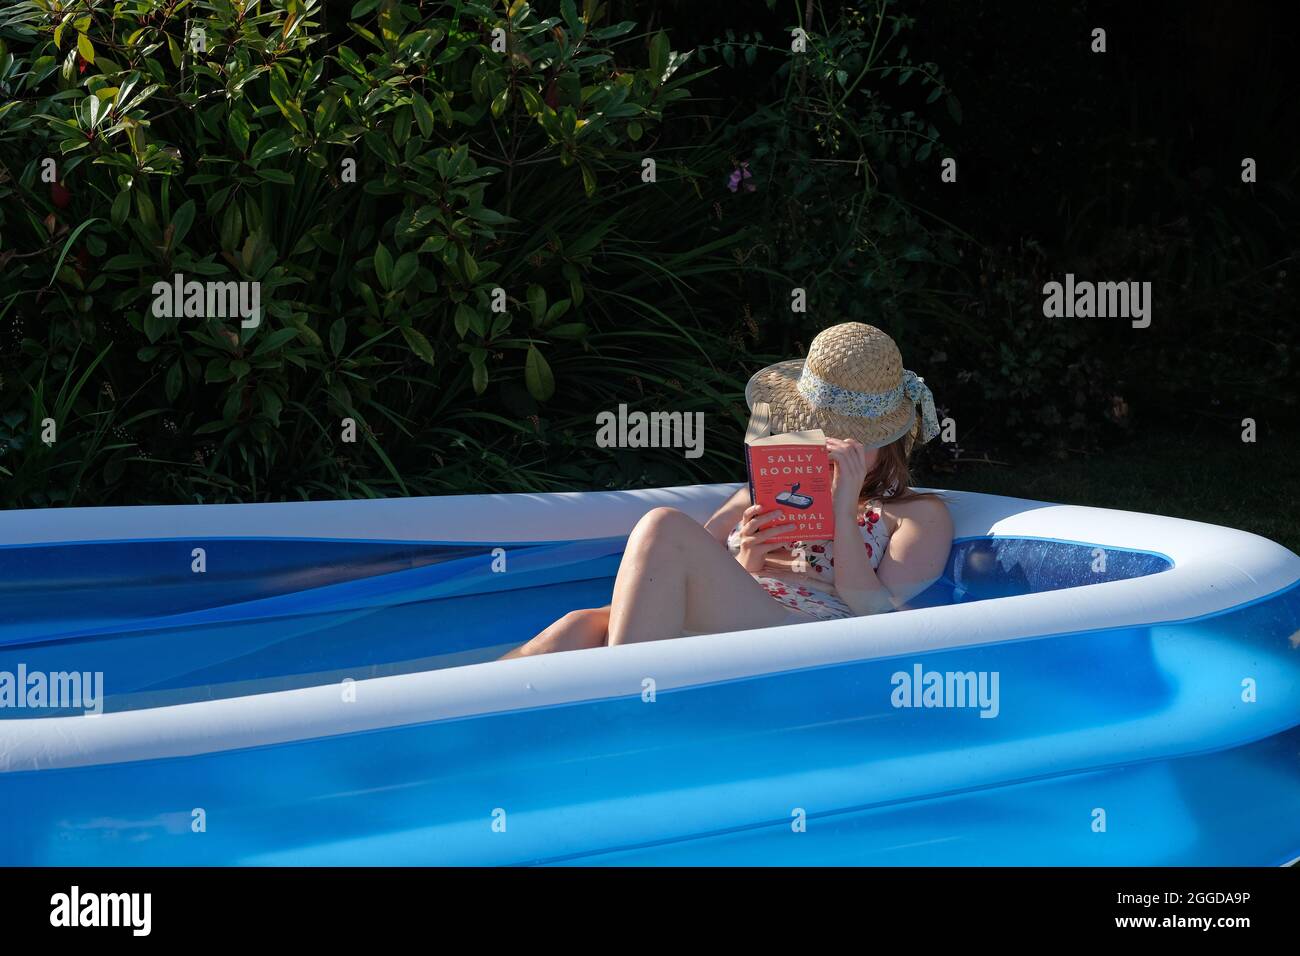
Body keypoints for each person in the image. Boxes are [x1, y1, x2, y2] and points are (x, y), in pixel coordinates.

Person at [500, 322, 953, 658]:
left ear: (886, 440)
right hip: (729, 617)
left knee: (664, 525)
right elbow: (676, 572)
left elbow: (876, 612)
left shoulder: (916, 515)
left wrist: (842, 506)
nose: (830, 443)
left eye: (849, 434)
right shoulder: (757, 491)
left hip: (803, 636)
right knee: (573, 629)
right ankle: (449, 728)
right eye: (818, 428)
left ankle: (626, 704)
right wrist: (746, 559)